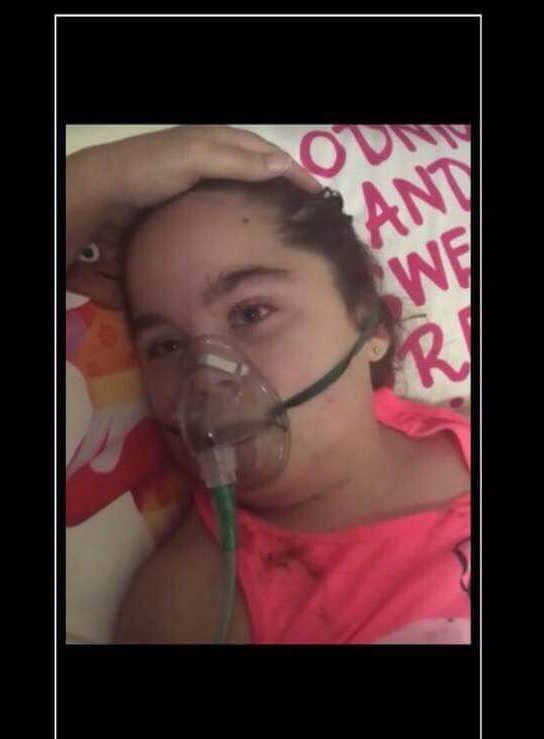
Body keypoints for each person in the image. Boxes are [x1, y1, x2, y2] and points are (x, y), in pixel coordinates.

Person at [66, 126, 471, 645]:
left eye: (251, 313)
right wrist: (94, 179)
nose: (206, 379)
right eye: (166, 346)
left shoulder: (458, 435)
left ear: (368, 324)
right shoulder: (193, 607)